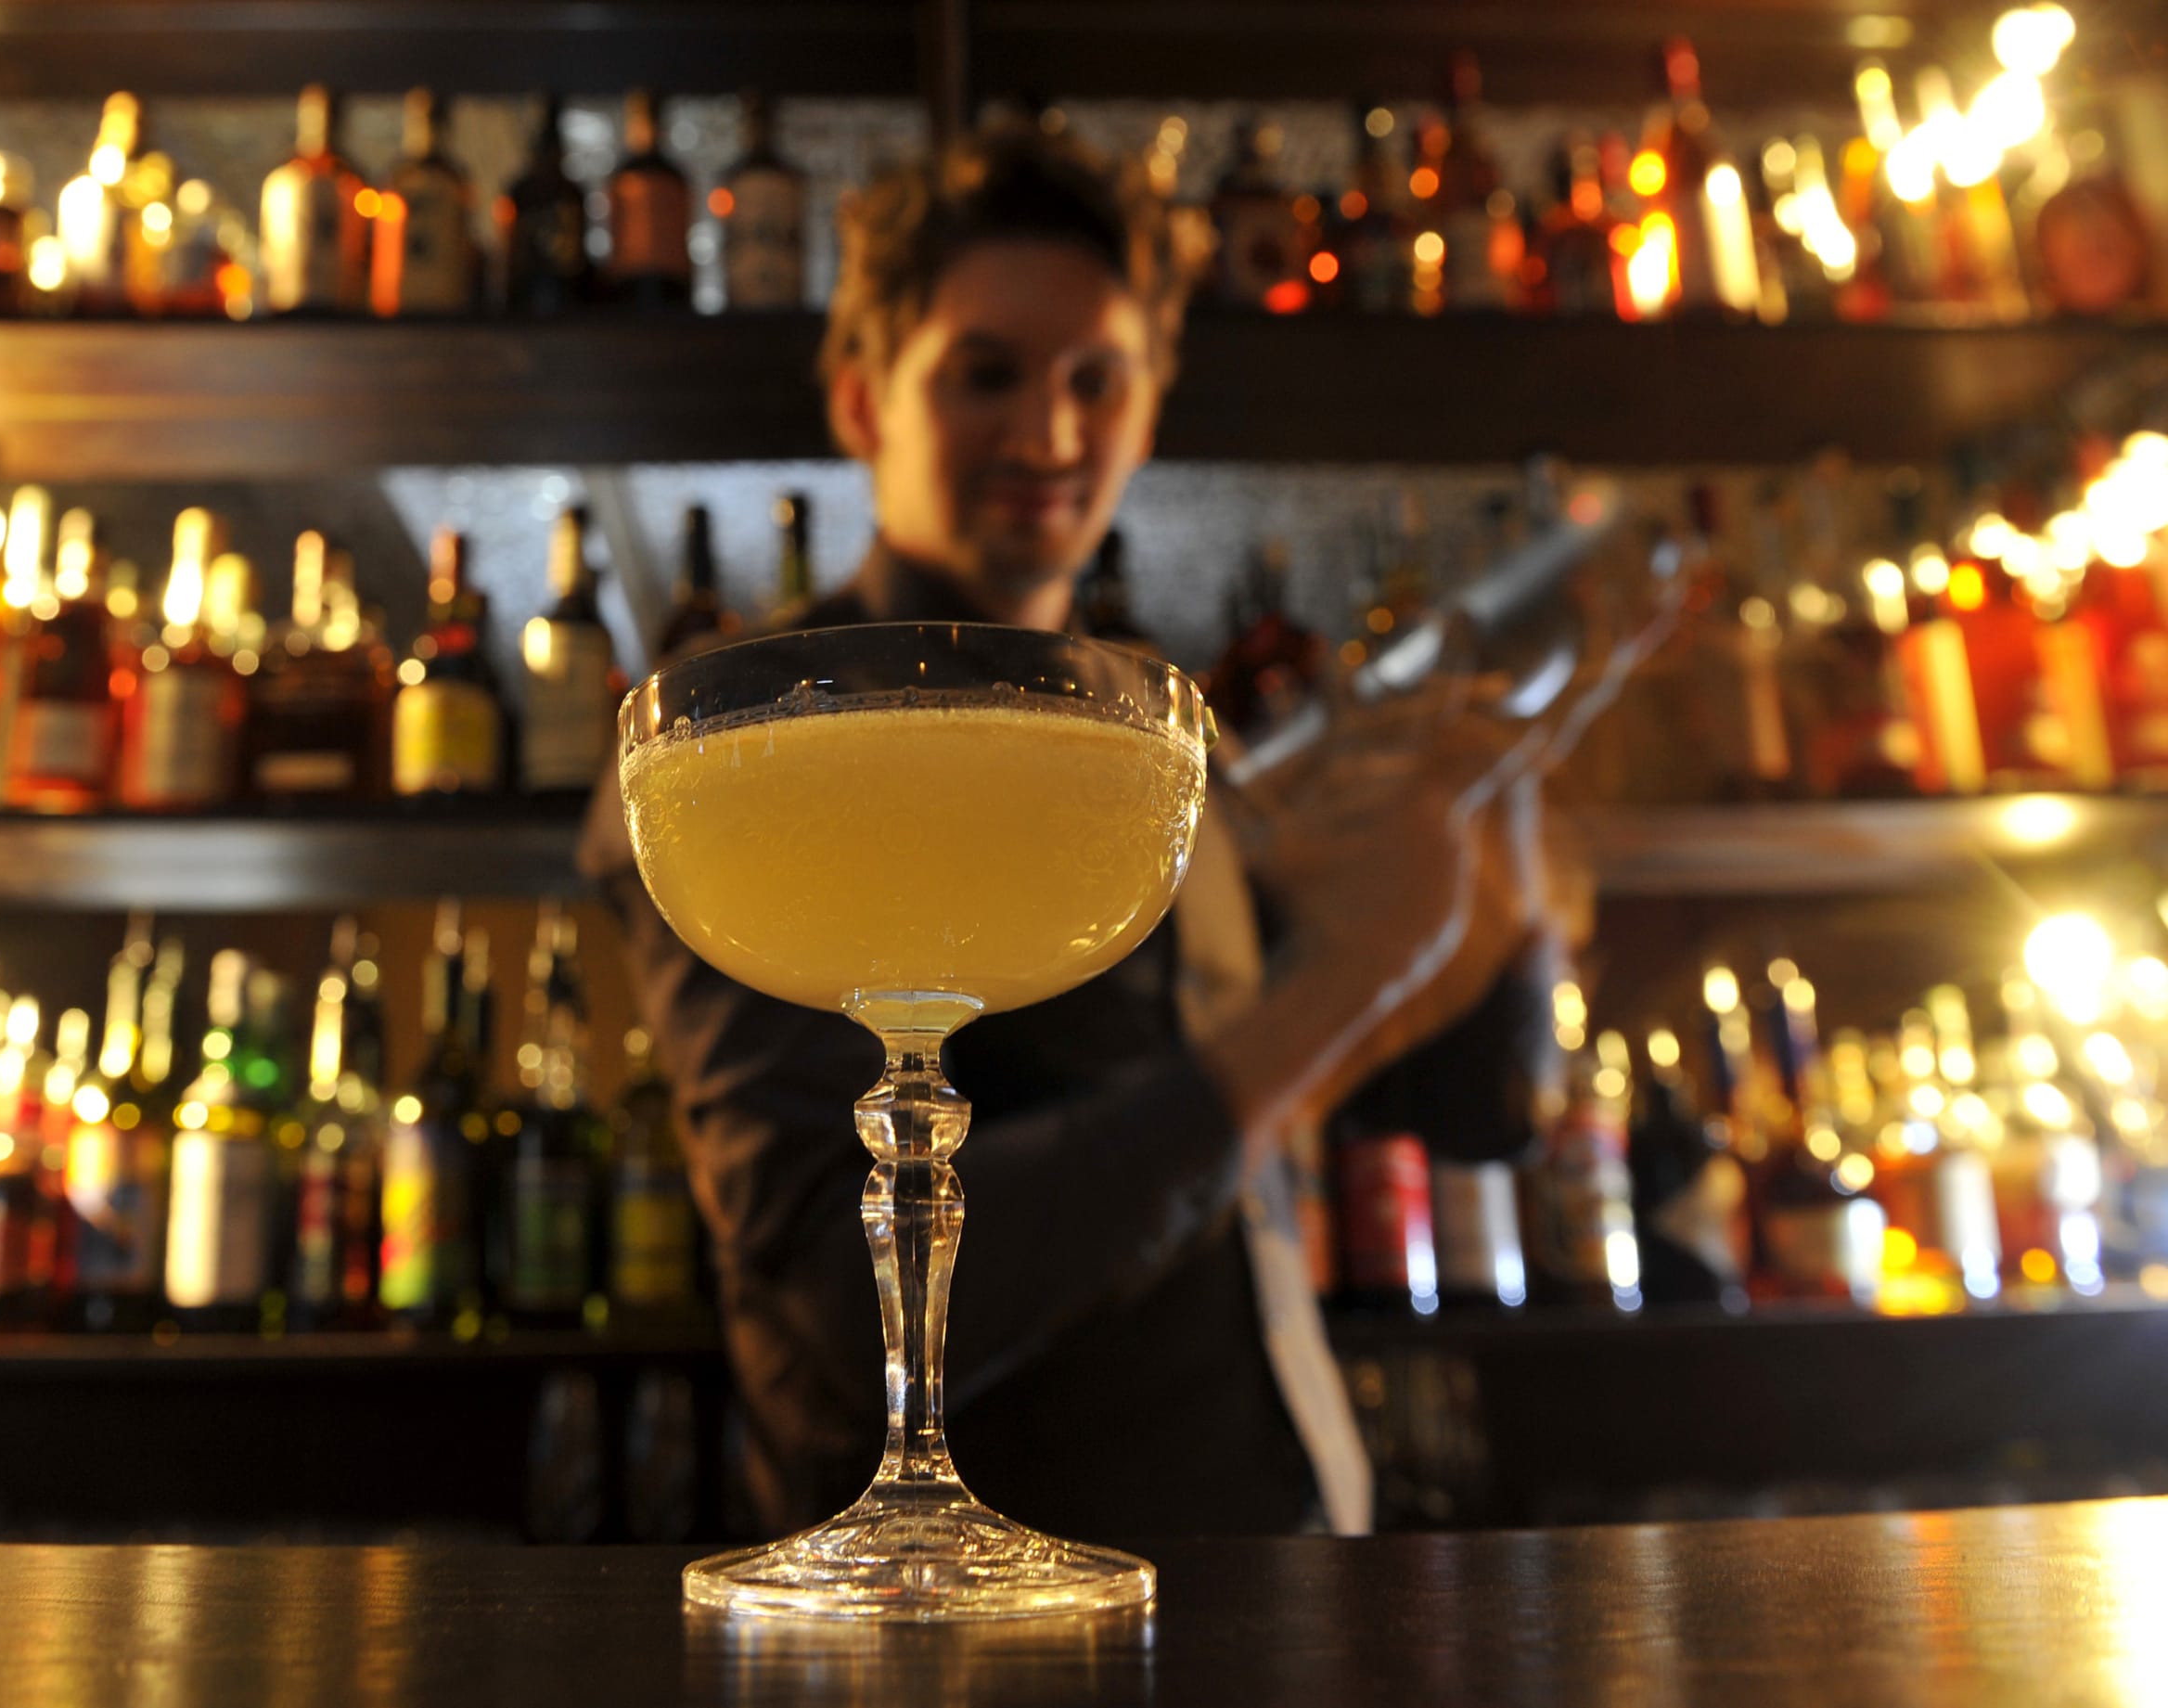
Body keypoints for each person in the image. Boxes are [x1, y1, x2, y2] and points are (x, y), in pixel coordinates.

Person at [580, 122, 1553, 1537]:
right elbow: (828, 1330)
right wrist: (1336, 989)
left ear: (1149, 411)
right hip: (951, 1623)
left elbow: (1477, 1117)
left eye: (1098, 380)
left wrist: (1489, 827)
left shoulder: (1152, 742)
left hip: (1264, 1556)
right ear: (861, 403)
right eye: (985, 374)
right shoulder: (749, 754)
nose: (1049, 435)